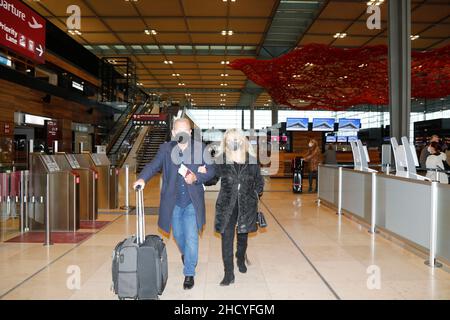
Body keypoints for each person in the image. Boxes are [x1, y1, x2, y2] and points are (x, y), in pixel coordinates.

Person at [133, 118, 216, 290]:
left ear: (190, 132)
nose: (182, 134)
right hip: (174, 202)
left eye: (185, 131)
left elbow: (212, 170)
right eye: (178, 131)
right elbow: (153, 165)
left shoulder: (201, 149)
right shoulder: (165, 149)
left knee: (192, 237)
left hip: (193, 201)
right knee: (178, 235)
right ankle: (187, 255)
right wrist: (142, 178)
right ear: (173, 133)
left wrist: (197, 177)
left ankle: (189, 273)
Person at [204, 129, 264, 286]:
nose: (233, 142)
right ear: (226, 143)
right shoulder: (221, 161)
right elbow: (212, 179)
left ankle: (240, 257)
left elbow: (259, 181)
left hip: (246, 204)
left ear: (242, 140)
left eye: (236, 139)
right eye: (230, 140)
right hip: (226, 204)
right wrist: (204, 175)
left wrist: (255, 193)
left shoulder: (251, 160)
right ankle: (228, 273)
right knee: (226, 238)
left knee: (243, 236)